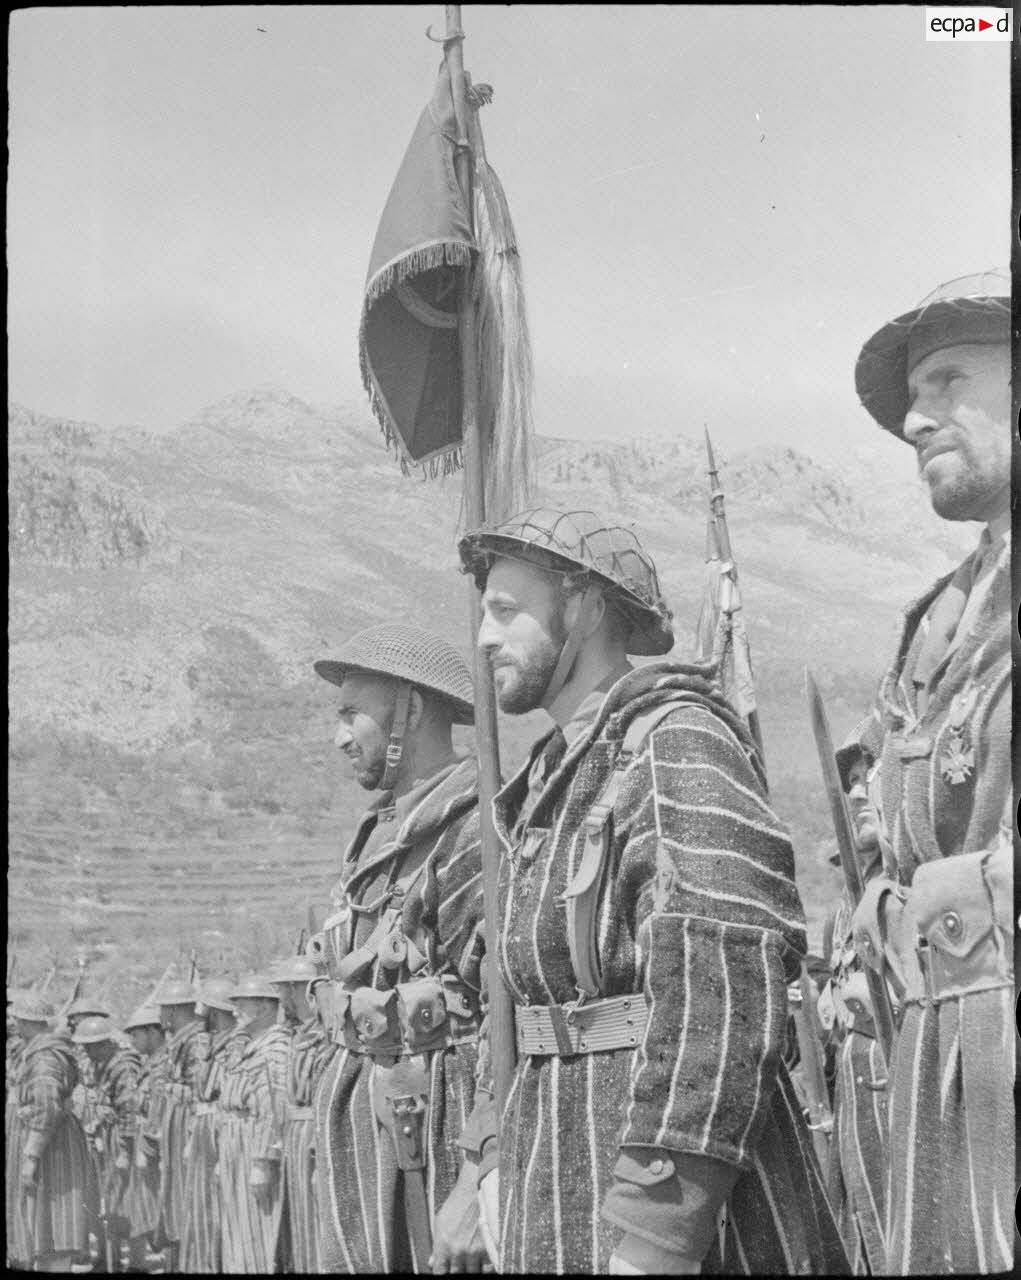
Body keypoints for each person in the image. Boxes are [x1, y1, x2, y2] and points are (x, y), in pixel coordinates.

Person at [454, 508, 849, 1275]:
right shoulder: (544, 785)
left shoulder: (673, 743)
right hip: (550, 1173)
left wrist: (657, 1233)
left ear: (585, 607)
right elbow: (516, 1003)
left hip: (665, 1196)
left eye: (506, 611)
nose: (483, 639)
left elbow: (723, 1002)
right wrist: (492, 1157)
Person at [850, 269, 1012, 1275]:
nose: (915, 419)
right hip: (935, 1067)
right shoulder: (936, 622)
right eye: (914, 396)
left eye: (946, 380)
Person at [310, 622, 488, 1273]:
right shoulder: (379, 833)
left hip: (440, 1126)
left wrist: (476, 1183)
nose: (338, 736)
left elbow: (512, 1014)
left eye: (351, 712)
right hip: (366, 1124)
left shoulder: (476, 825)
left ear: (410, 710)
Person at [818, 731, 892, 1275]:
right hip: (852, 1129)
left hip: (904, 1127)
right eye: (852, 783)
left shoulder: (922, 892)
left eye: (873, 775)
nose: (859, 792)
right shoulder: (842, 913)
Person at [8, 991, 99, 1272]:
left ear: (26, 1022)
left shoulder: (45, 1057)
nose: (14, 1026)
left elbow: (46, 1107)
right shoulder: (37, 1051)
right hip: (49, 1142)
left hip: (51, 1148)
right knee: (41, 1222)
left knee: (53, 1224)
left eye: (17, 1021)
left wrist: (31, 1155)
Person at [217, 972, 291, 1273]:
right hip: (236, 1145)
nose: (235, 1011)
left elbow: (273, 1109)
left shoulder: (274, 1047)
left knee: (258, 1231)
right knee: (238, 1230)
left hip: (254, 1147)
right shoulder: (250, 1046)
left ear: (262, 1007)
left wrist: (263, 1160)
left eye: (242, 1004)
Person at [269, 953, 337, 1274]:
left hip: (313, 1141)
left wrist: (318, 1154)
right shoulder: (299, 1035)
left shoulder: (326, 1037)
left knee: (316, 1225)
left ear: (303, 990)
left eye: (287, 989)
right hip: (295, 1142)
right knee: (298, 1228)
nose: (282, 998)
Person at [180, 976, 249, 1274]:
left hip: (222, 1125)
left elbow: (225, 1087)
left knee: (223, 1204)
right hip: (203, 1124)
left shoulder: (237, 1042)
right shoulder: (207, 1043)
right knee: (201, 1202)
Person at [71, 1014, 142, 1272]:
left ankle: (136, 1261)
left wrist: (124, 1151)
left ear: (104, 1043)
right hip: (100, 1136)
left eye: (91, 1046)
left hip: (118, 1140)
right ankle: (105, 1255)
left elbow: (129, 1111)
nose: (87, 1052)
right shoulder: (99, 1063)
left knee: (124, 1201)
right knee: (101, 1200)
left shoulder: (122, 1066)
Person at [154, 976, 208, 1271]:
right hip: (175, 1125)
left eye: (163, 1009)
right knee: (174, 1194)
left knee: (189, 1194)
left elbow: (199, 1089)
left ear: (173, 1011)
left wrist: (172, 1089)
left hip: (189, 1126)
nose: (160, 1016)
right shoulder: (179, 1041)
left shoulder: (196, 1040)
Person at [121, 1003, 166, 1274]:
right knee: (138, 1203)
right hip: (143, 1139)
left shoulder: (164, 1063)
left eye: (136, 1035)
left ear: (152, 1032)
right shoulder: (149, 1063)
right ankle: (137, 1263)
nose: (133, 1042)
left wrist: (147, 1148)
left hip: (156, 1146)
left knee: (161, 1205)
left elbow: (159, 1111)